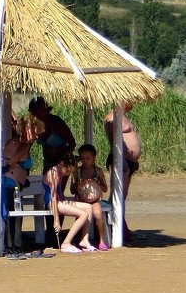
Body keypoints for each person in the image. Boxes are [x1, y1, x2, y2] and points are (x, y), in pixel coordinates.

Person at [104, 101, 141, 242]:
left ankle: (121, 225)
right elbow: (113, 139)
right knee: (117, 195)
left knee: (122, 195)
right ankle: (117, 227)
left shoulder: (122, 115)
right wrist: (121, 159)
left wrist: (134, 160)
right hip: (120, 160)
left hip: (128, 161)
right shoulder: (112, 117)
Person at [46, 153, 95, 253]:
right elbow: (53, 197)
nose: (67, 174)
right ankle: (66, 243)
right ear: (61, 164)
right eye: (67, 171)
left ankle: (84, 240)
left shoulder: (61, 172)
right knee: (83, 214)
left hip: (60, 201)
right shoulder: (53, 173)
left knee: (88, 207)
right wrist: (56, 220)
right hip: (51, 202)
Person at [72, 143, 109, 250]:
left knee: (98, 215)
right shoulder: (77, 172)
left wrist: (95, 183)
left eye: (88, 158)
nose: (85, 160)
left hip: (95, 200)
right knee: (79, 215)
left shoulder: (97, 172)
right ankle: (78, 238)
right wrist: (79, 184)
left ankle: (102, 240)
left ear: (93, 158)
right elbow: (72, 190)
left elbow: (105, 188)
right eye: (82, 158)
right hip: (81, 199)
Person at [28, 96, 76, 172]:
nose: (34, 115)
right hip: (47, 162)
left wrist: (64, 160)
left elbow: (72, 143)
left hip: (62, 164)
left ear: (44, 110)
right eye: (32, 113)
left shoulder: (56, 123)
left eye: (36, 112)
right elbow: (28, 144)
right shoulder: (35, 124)